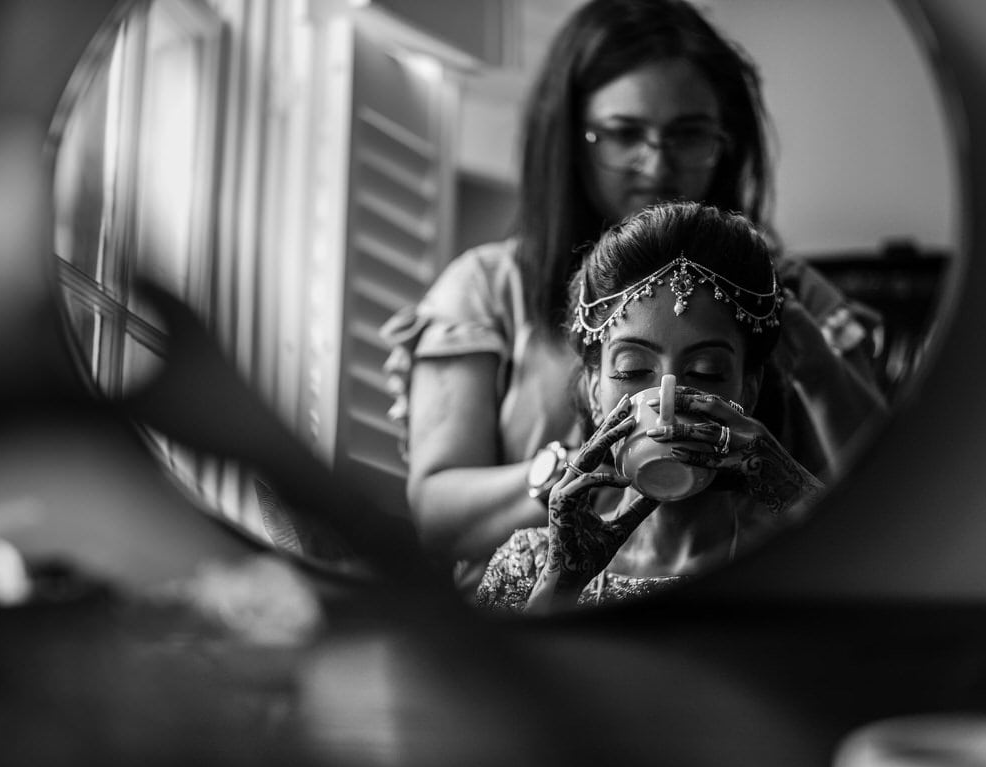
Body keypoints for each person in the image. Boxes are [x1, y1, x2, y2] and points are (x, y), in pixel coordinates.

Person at [379, 0, 885, 601]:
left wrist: (818, 376)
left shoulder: (782, 289)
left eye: (689, 134)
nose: (658, 163)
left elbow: (897, 502)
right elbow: (436, 514)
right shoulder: (488, 289)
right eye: (624, 134)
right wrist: (586, 467)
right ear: (571, 136)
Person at [477, 201, 822, 613]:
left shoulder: (795, 564)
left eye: (707, 371)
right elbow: (487, 679)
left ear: (747, 391)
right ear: (593, 388)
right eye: (633, 369)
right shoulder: (530, 564)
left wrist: (796, 494)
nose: (667, 403)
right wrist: (560, 585)